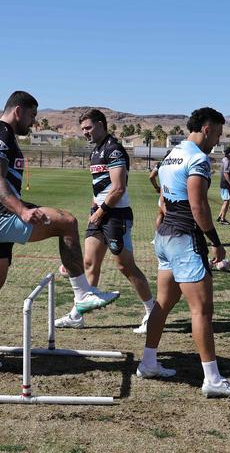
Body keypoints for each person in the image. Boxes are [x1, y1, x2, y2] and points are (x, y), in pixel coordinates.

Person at [0, 91, 118, 374]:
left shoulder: (0, 134)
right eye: (32, 116)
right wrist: (21, 210)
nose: (32, 123)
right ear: (18, 111)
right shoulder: (1, 134)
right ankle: (82, 295)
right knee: (66, 222)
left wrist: (25, 206)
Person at [135, 107, 230, 398]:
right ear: (207, 129)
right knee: (202, 310)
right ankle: (212, 379)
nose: (218, 141)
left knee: (162, 303)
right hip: (185, 240)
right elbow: (199, 207)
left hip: (164, 238)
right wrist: (216, 242)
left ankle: (148, 362)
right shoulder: (197, 159)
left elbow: (162, 196)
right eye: (218, 134)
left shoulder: (171, 154)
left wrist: (164, 216)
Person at [55, 109, 154, 333]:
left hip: (115, 216)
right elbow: (99, 187)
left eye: (88, 128)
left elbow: (118, 188)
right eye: (83, 130)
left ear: (101, 125)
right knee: (89, 263)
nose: (85, 133)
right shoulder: (96, 151)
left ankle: (151, 311)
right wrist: (94, 208)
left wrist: (100, 212)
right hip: (100, 213)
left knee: (124, 266)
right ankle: (77, 315)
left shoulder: (114, 150)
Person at [148, 150, 171, 229]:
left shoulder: (160, 164)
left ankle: (158, 236)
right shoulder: (178, 163)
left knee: (161, 214)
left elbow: (151, 176)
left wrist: (156, 187)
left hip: (163, 191)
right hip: (175, 192)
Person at [216, 147, 230, 224]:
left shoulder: (225, 160)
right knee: (226, 201)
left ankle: (220, 216)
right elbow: (225, 173)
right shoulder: (227, 161)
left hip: (226, 184)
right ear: (229, 153)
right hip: (226, 184)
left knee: (228, 200)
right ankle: (222, 219)